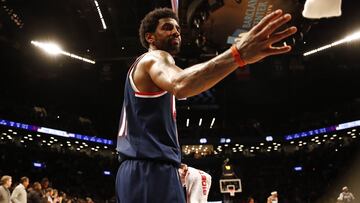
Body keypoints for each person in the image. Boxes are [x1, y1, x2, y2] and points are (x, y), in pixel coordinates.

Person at [115, 7, 297, 203]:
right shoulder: (155, 57)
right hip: (150, 171)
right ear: (150, 37)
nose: (176, 32)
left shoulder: (141, 70)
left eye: (177, 28)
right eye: (167, 28)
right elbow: (181, 84)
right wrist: (237, 54)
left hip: (137, 171)